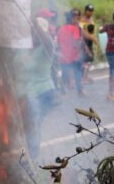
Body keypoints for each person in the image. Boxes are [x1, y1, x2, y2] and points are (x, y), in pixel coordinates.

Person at [14, 14, 57, 160]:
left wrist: (34, 24)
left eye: (36, 32)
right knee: (28, 126)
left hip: (43, 92)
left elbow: (46, 40)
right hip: (28, 94)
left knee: (33, 124)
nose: (33, 34)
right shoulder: (25, 49)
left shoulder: (46, 49)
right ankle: (30, 156)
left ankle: (32, 159)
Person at [57, 9, 84, 95]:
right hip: (74, 56)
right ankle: (80, 91)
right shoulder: (75, 28)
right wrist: (80, 42)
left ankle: (63, 91)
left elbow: (58, 43)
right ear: (72, 19)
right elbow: (76, 43)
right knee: (78, 73)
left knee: (64, 74)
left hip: (63, 56)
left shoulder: (60, 29)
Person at [82, 24, 95, 88]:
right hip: (87, 52)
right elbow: (86, 45)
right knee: (87, 66)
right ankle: (84, 79)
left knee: (86, 65)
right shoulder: (89, 36)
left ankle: (85, 78)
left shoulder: (87, 35)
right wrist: (89, 53)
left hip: (85, 52)